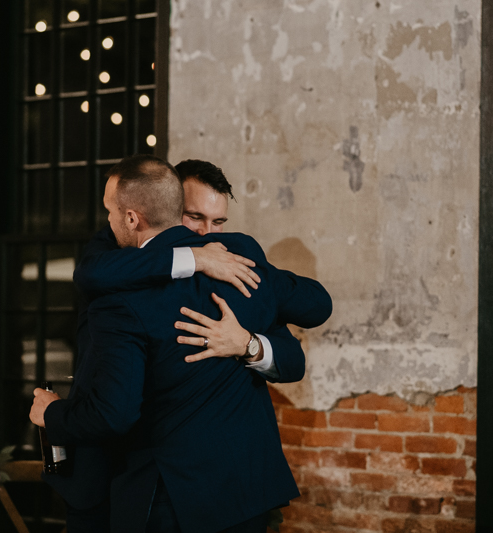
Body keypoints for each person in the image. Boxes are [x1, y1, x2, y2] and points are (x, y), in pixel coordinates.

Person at [31, 155, 329, 532]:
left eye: (218, 222)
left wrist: (248, 343)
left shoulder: (235, 260)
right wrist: (193, 258)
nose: (207, 235)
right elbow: (88, 272)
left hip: (180, 492)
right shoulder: (114, 262)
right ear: (171, 203)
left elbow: (316, 308)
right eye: (194, 218)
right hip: (149, 479)